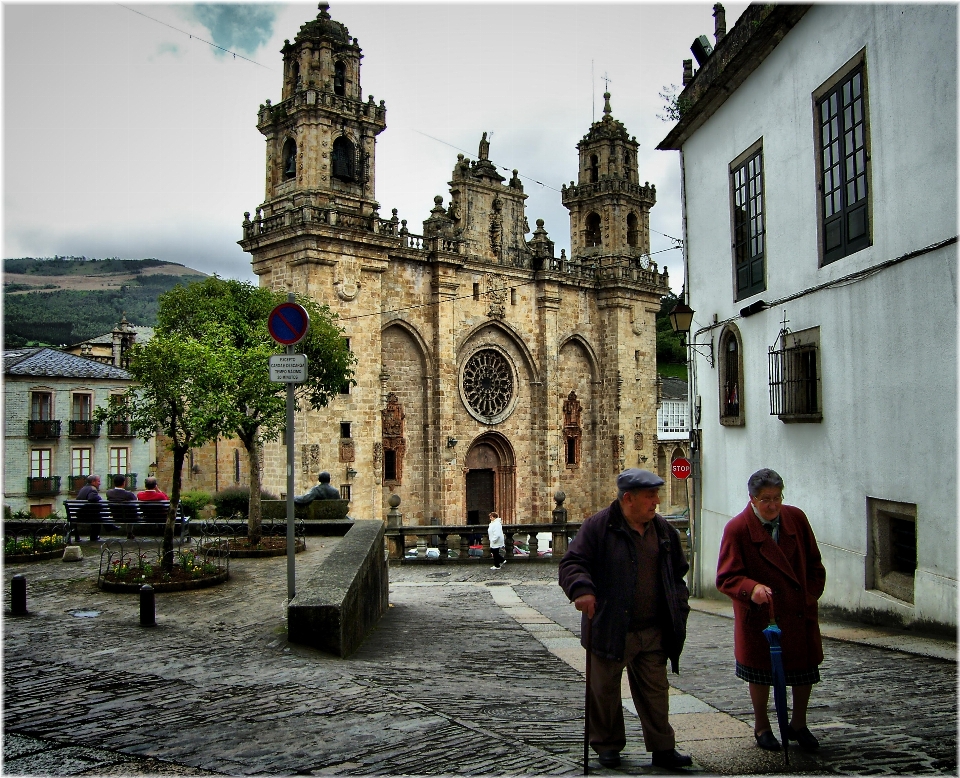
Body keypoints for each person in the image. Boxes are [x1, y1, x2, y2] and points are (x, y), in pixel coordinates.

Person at [559, 469, 692, 771]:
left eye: (657, 494)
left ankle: (663, 748)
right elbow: (572, 563)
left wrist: (679, 606)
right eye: (650, 496)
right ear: (628, 499)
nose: (657, 501)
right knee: (604, 691)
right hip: (608, 625)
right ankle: (607, 745)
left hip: (652, 628)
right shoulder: (599, 527)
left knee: (656, 691)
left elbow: (677, 574)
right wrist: (582, 589)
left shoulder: (663, 531)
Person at [716, 468, 826, 754]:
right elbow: (726, 578)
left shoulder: (796, 519)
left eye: (777, 498)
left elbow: (815, 564)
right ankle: (762, 726)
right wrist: (751, 589)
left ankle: (798, 724)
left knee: (804, 672)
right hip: (762, 618)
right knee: (761, 674)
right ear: (752, 499)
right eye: (766, 499)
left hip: (798, 613)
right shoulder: (738, 529)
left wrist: (809, 596)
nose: (773, 505)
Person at [75, 474, 103, 542]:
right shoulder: (93, 489)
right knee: (97, 516)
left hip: (79, 515)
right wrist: (99, 498)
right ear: (93, 482)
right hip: (88, 516)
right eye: (98, 481)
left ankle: (77, 537)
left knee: (97, 515)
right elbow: (92, 498)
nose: (100, 483)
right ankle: (94, 536)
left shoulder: (83, 488)